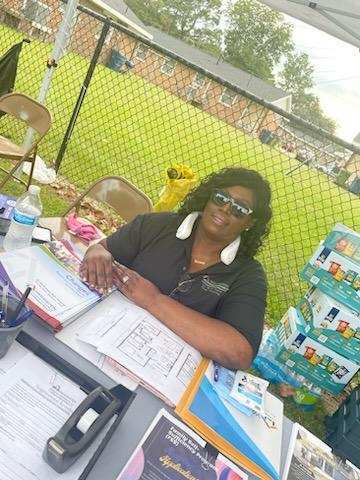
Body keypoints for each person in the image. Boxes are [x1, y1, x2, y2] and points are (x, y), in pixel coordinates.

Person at [80, 167, 272, 370]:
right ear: (209, 197)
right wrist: (96, 251)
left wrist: (154, 301)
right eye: (221, 197)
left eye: (239, 208)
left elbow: (238, 353)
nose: (225, 209)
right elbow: (104, 250)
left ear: (250, 222)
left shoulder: (248, 276)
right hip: (104, 340)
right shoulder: (155, 226)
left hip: (165, 371)